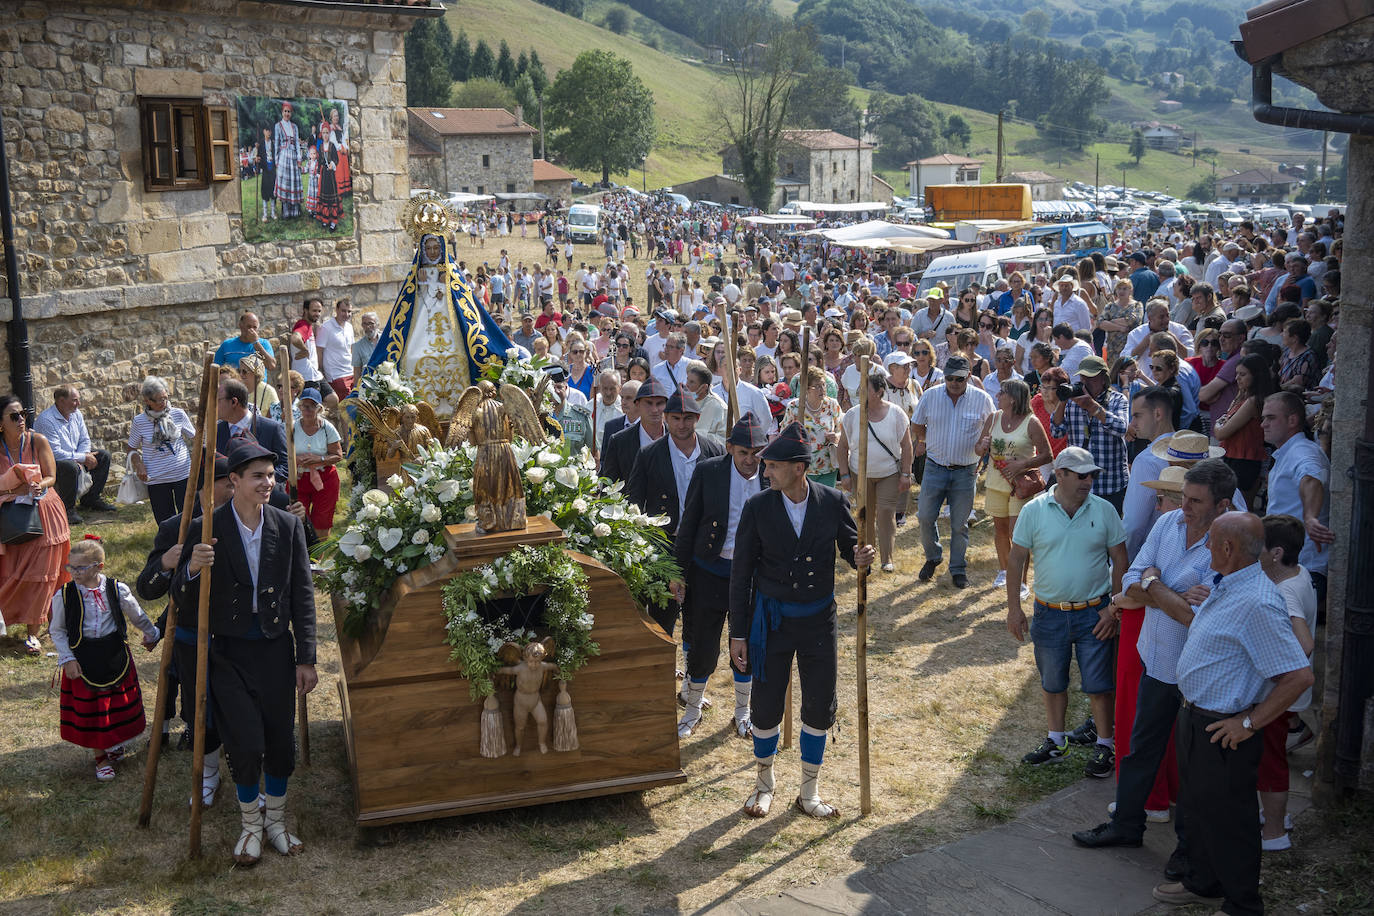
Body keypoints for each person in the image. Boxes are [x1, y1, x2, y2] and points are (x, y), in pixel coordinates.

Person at [1072, 460, 1237, 879]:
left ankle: (1186, 851)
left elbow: (1195, 617)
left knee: (1194, 769)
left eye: (1195, 501)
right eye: (1182, 497)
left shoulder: (1232, 547)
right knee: (1140, 750)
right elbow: (1127, 583)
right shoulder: (1166, 526)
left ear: (1222, 505)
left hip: (1199, 679)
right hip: (1158, 661)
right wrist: (1166, 590)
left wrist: (1153, 582)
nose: (1184, 507)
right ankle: (1126, 825)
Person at [1151, 512, 1312, 913]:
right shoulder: (1229, 584)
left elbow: (1299, 675)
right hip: (1196, 716)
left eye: (1210, 541)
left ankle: (1242, 904)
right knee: (1199, 809)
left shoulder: (1258, 601)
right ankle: (1205, 882)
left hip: (1224, 725)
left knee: (1230, 820)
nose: (1204, 547)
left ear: (1227, 548)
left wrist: (1249, 723)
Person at [174, 441, 318, 867]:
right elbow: (180, 599)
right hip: (228, 654)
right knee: (245, 742)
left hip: (275, 650)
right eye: (257, 476)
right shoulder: (207, 528)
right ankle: (250, 825)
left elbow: (303, 597)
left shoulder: (286, 526)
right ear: (233, 480)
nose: (267, 484)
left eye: (271, 476)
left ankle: (275, 822)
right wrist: (193, 568)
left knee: (278, 742)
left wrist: (306, 657)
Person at [728, 422, 875, 819]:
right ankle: (764, 784)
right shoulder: (758, 507)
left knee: (818, 704)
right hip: (770, 623)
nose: (764, 472)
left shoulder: (831, 501)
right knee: (766, 705)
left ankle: (808, 792)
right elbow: (741, 575)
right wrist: (737, 635)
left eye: (772, 466)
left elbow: (850, 548)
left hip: (818, 622)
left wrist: (860, 559)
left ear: (798, 468)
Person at [1006, 447, 1126, 777]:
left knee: (1100, 685)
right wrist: (1014, 609)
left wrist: (1113, 609)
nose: (1089, 481)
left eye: (1093, 475)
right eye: (1082, 475)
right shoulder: (1034, 511)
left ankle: (1105, 744)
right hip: (1049, 612)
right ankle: (1056, 741)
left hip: (1096, 613)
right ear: (1060, 475)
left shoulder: (1104, 511)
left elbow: (1120, 560)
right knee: (1052, 681)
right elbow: (1016, 559)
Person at [671, 412, 769, 739]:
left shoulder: (772, 476)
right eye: (744, 453)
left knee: (747, 647)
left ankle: (743, 712)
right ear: (730, 448)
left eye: (757, 452)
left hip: (752, 578)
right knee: (702, 645)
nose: (750, 460)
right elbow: (687, 527)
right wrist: (678, 574)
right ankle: (693, 707)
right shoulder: (708, 472)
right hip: (709, 572)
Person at [49, 536, 160, 781]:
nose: (74, 573)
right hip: (82, 659)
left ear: (99, 566)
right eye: (71, 567)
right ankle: (101, 758)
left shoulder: (116, 589)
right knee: (93, 710)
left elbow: (137, 615)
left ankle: (114, 742)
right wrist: (67, 658)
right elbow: (57, 630)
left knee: (115, 705)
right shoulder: (64, 595)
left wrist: (152, 634)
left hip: (114, 656)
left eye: (80, 568)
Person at [626, 389, 725, 635]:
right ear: (666, 419)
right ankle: (664, 665)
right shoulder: (649, 454)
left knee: (700, 614)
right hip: (664, 546)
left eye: (688, 418)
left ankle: (695, 667)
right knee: (663, 614)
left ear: (698, 418)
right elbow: (634, 501)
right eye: (676, 418)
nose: (682, 424)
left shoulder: (714, 451)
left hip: (704, 546)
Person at [1256, 514, 1318, 852]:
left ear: (1276, 552)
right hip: (1285, 694)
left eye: (1259, 546)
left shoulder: (1286, 592)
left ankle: (1275, 832)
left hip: (1278, 694)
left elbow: (1304, 644)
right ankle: (1275, 818)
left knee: (1269, 761)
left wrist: (1271, 668)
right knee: (1270, 757)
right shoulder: (1300, 572)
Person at [911, 356, 995, 588]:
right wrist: (924, 439)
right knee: (925, 516)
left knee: (960, 524)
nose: (954, 382)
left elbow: (992, 427)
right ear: (944, 376)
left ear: (969, 376)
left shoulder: (982, 399)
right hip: (935, 466)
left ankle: (957, 569)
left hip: (965, 471)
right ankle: (933, 557)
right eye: (949, 378)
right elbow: (916, 423)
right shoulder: (930, 395)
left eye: (959, 378)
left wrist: (981, 450)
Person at [0, 392, 73, 655]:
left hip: (44, 512)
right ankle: (6, 620)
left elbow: (51, 476)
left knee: (42, 575)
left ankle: (33, 635)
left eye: (23, 414)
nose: (21, 419)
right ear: (1, 423)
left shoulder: (38, 440)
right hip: (10, 517)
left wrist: (36, 484)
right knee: (13, 572)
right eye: (13, 416)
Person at [1260, 391, 1333, 604]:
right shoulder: (1291, 451)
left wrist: (1310, 517)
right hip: (1289, 564)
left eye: (1271, 418)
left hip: (1303, 567)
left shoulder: (1303, 451)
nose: (1264, 424)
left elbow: (1311, 478)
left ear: (1292, 420)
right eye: (1263, 418)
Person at [978, 378, 1051, 589]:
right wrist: (982, 445)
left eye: (1002, 392)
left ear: (1013, 398)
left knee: (1017, 533)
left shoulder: (1032, 422)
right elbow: (977, 449)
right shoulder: (993, 418)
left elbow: (1047, 455)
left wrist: (1023, 464)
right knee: (1000, 529)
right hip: (996, 483)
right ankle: (1004, 571)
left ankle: (1021, 582)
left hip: (1020, 487)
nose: (997, 396)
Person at [838, 369, 912, 574]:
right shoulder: (852, 415)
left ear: (879, 392)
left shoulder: (896, 414)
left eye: (865, 389)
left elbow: (906, 446)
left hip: (888, 473)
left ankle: (887, 558)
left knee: (886, 512)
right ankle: (867, 556)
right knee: (865, 515)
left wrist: (906, 473)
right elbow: (842, 446)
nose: (861, 392)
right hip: (859, 474)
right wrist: (844, 474)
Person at [1049, 356, 1131, 514]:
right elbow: (1056, 431)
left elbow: (1121, 428)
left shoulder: (1117, 400)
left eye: (1091, 378)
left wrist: (1093, 407)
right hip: (1077, 484)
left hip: (1110, 483)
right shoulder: (1073, 402)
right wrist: (1063, 400)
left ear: (1103, 379)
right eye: (1082, 378)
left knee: (1108, 534)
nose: (1085, 383)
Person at [33, 384, 114, 523]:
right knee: (69, 466)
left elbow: (84, 439)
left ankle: (91, 499)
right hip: (51, 463)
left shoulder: (76, 414)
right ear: (61, 401)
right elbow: (54, 453)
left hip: (74, 456)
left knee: (103, 456)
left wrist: (84, 456)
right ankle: (68, 509)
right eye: (74, 400)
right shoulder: (46, 420)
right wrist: (82, 458)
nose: (79, 403)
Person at [1121, 387, 1184, 558]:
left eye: (1137, 415)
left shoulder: (1147, 460)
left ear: (1157, 414)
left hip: (1154, 555)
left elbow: (1133, 524)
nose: (1132, 423)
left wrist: (1121, 563)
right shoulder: (1193, 449)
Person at [127, 376, 195, 525]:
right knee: (166, 523)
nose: (164, 403)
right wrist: (139, 465)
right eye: (159, 400)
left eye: (165, 398)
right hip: (156, 478)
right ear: (147, 401)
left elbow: (195, 438)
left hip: (182, 474)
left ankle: (189, 547)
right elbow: (132, 448)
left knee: (189, 519)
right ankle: (170, 548)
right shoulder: (139, 422)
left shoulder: (178, 414)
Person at [1214, 354, 1274, 507]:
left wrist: (1219, 423)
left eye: (1242, 374)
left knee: (1239, 509)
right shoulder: (1242, 396)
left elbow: (1221, 433)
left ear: (1256, 375)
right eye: (1237, 374)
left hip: (1244, 462)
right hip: (1234, 457)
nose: (1237, 379)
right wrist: (1221, 422)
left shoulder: (1253, 401)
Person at [215, 379, 290, 485]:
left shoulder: (272, 429)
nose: (213, 405)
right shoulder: (217, 431)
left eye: (218, 400)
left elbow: (285, 465)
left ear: (234, 402)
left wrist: (262, 482)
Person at [292, 388, 342, 540]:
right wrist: (297, 459)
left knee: (322, 520)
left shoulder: (327, 428)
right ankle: (301, 553)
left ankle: (317, 559)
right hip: (298, 478)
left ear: (319, 408)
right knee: (297, 518)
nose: (307, 410)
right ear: (299, 407)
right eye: (304, 405)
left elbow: (338, 455)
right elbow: (283, 453)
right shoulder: (291, 427)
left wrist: (318, 459)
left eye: (311, 406)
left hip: (325, 478)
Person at [601, 377, 668, 485]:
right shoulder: (618, 441)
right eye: (649, 403)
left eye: (659, 403)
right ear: (638, 404)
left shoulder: (678, 438)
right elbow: (609, 485)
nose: (654, 410)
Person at [315, 297, 356, 404]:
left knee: (355, 406)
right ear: (336, 310)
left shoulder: (349, 327)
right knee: (346, 408)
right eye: (343, 311)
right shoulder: (326, 328)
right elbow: (319, 350)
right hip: (336, 375)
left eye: (349, 311)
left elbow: (351, 350)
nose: (346, 314)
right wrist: (321, 371)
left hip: (351, 372)